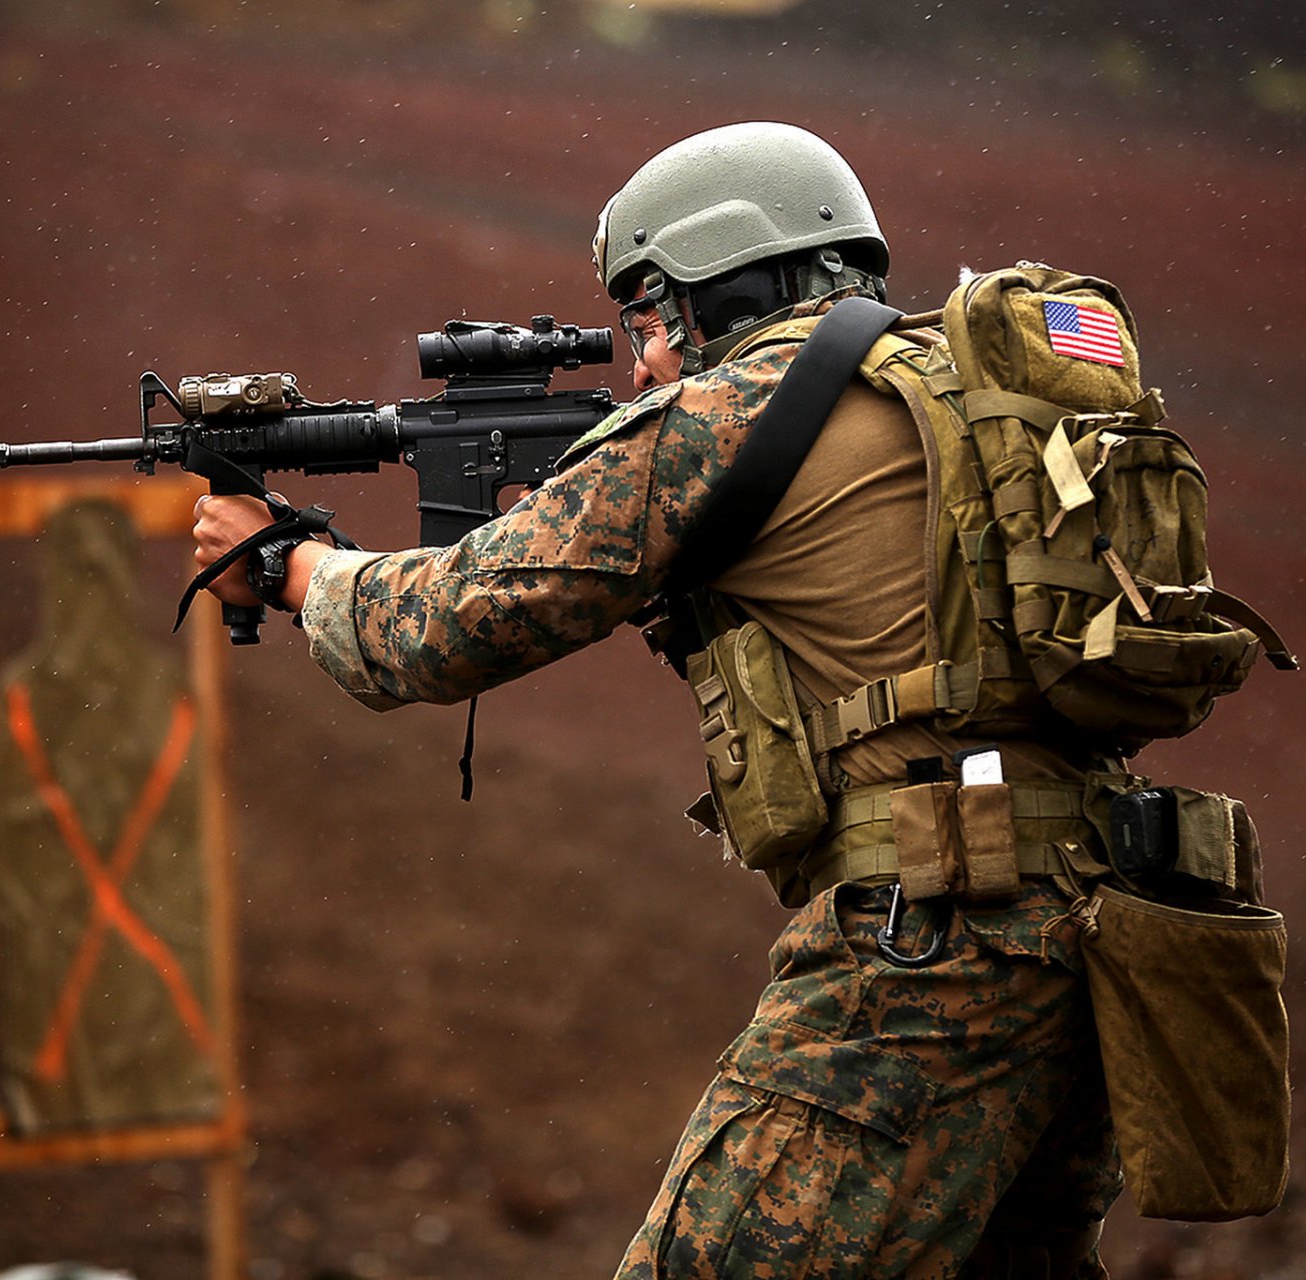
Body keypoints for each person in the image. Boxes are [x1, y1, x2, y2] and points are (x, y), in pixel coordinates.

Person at [191, 123, 1122, 1278]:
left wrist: (287, 566)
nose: (637, 365)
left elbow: (438, 633)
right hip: (1098, 946)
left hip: (927, 952)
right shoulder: (957, 396)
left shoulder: (731, 416)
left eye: (648, 316)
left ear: (722, 280)